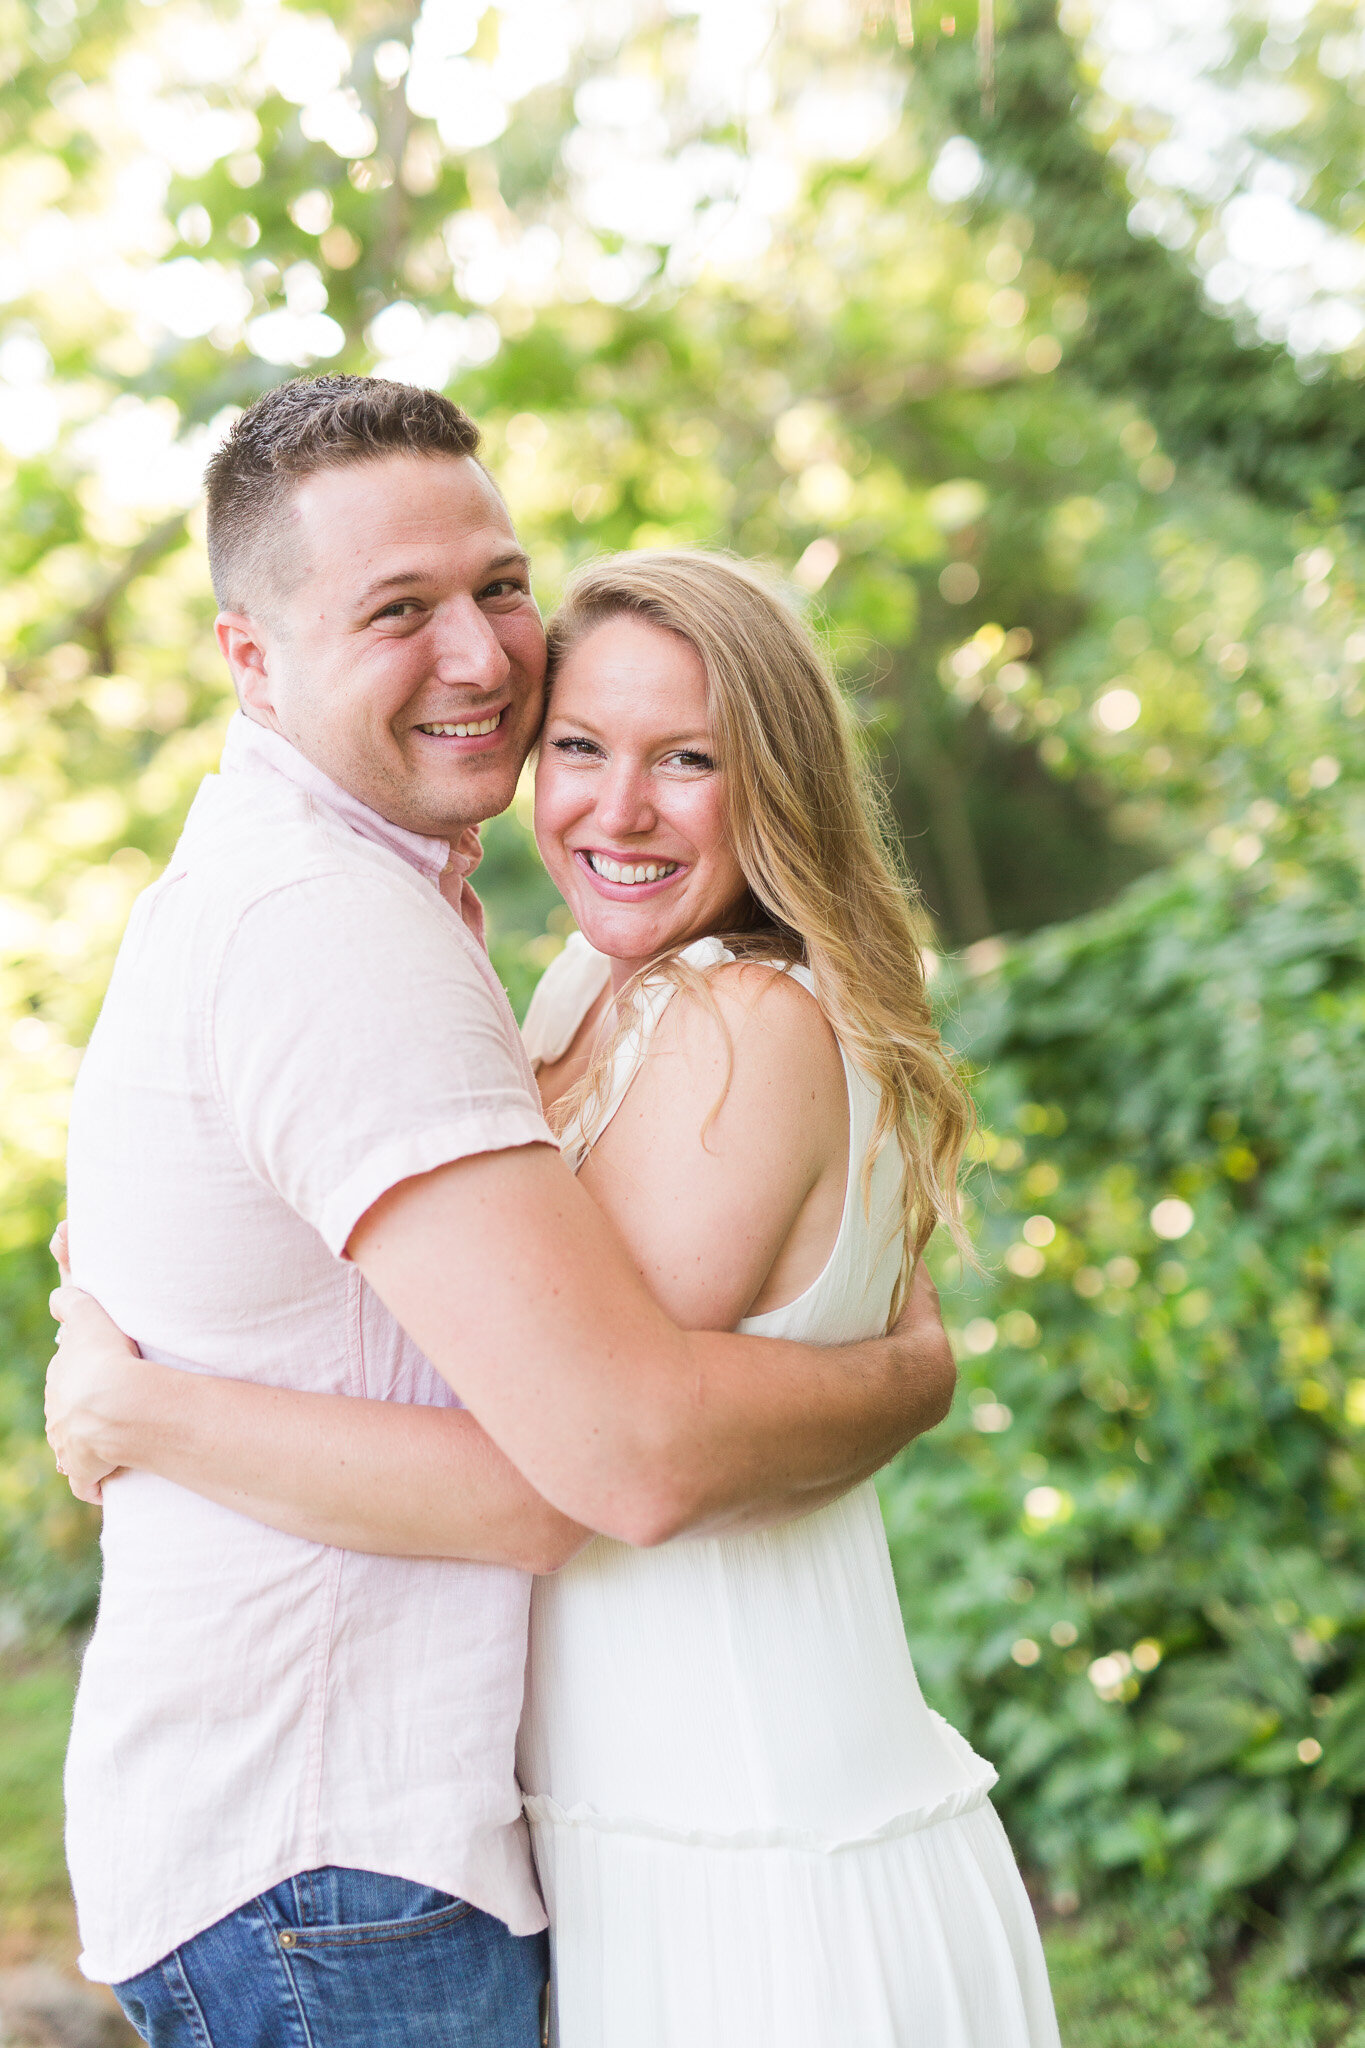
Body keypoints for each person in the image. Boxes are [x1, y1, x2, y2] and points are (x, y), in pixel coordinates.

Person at [43, 376, 956, 2048]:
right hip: (336, 1849)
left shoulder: (491, 941)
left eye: (498, 587)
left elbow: (609, 1445)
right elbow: (613, 1457)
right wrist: (900, 1379)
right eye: (399, 610)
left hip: (486, 1826)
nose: (478, 656)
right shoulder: (339, 933)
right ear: (251, 656)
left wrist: (144, 1409)